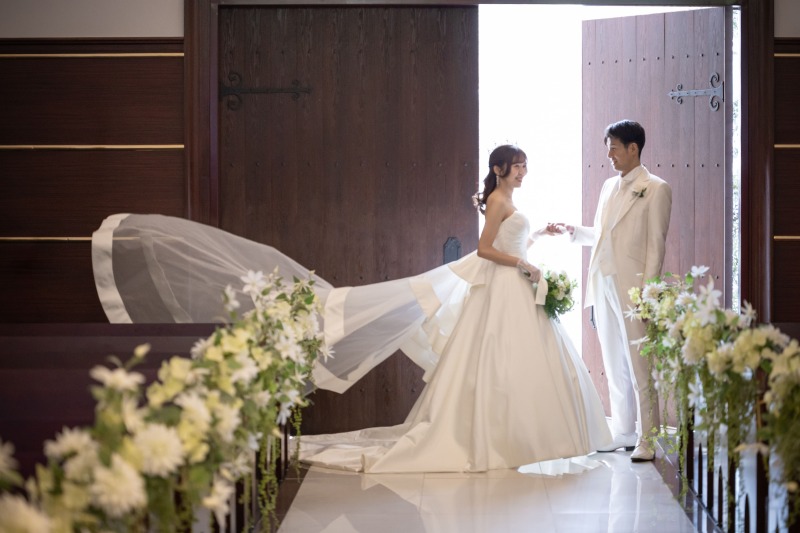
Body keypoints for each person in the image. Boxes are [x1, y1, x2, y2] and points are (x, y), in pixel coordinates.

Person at [91, 145, 612, 474]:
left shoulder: (511, 204)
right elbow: (484, 250)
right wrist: (525, 266)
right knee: (494, 363)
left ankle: (520, 438)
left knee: (513, 364)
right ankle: (497, 439)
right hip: (504, 286)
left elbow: (506, 246)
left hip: (512, 288)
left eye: (524, 167)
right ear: (499, 169)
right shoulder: (497, 201)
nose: (523, 172)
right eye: (518, 166)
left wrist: (538, 241)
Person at [547, 120, 672, 462]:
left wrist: (647, 294)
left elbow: (656, 247)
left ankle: (649, 437)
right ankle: (624, 431)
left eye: (614, 148)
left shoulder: (656, 188)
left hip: (633, 291)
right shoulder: (607, 187)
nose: (609, 155)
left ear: (633, 148)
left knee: (639, 364)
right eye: (608, 148)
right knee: (614, 362)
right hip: (602, 284)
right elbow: (603, 234)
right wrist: (574, 231)